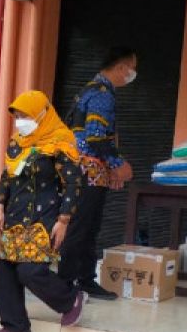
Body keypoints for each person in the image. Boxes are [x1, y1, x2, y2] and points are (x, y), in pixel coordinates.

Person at [0, 91, 86, 332]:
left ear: (42, 114)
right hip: (14, 215)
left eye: (26, 115)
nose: (21, 121)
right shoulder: (17, 143)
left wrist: (64, 220)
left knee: (29, 271)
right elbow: (7, 177)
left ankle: (70, 298)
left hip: (44, 216)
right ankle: (15, 325)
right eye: (18, 116)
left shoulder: (60, 142)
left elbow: (73, 184)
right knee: (6, 269)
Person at [59, 46, 137, 300]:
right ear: (121, 68)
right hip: (87, 171)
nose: (133, 74)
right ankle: (67, 285)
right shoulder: (102, 94)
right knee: (82, 228)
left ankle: (83, 280)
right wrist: (118, 164)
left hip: (86, 169)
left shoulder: (91, 88)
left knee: (88, 227)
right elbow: (95, 137)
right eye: (132, 68)